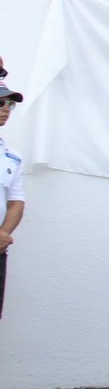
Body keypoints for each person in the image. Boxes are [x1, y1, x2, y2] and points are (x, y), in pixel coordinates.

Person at [0, 73, 24, 318]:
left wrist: (4, 233)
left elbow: (16, 200)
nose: (6, 109)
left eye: (10, 104)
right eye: (0, 103)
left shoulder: (12, 156)